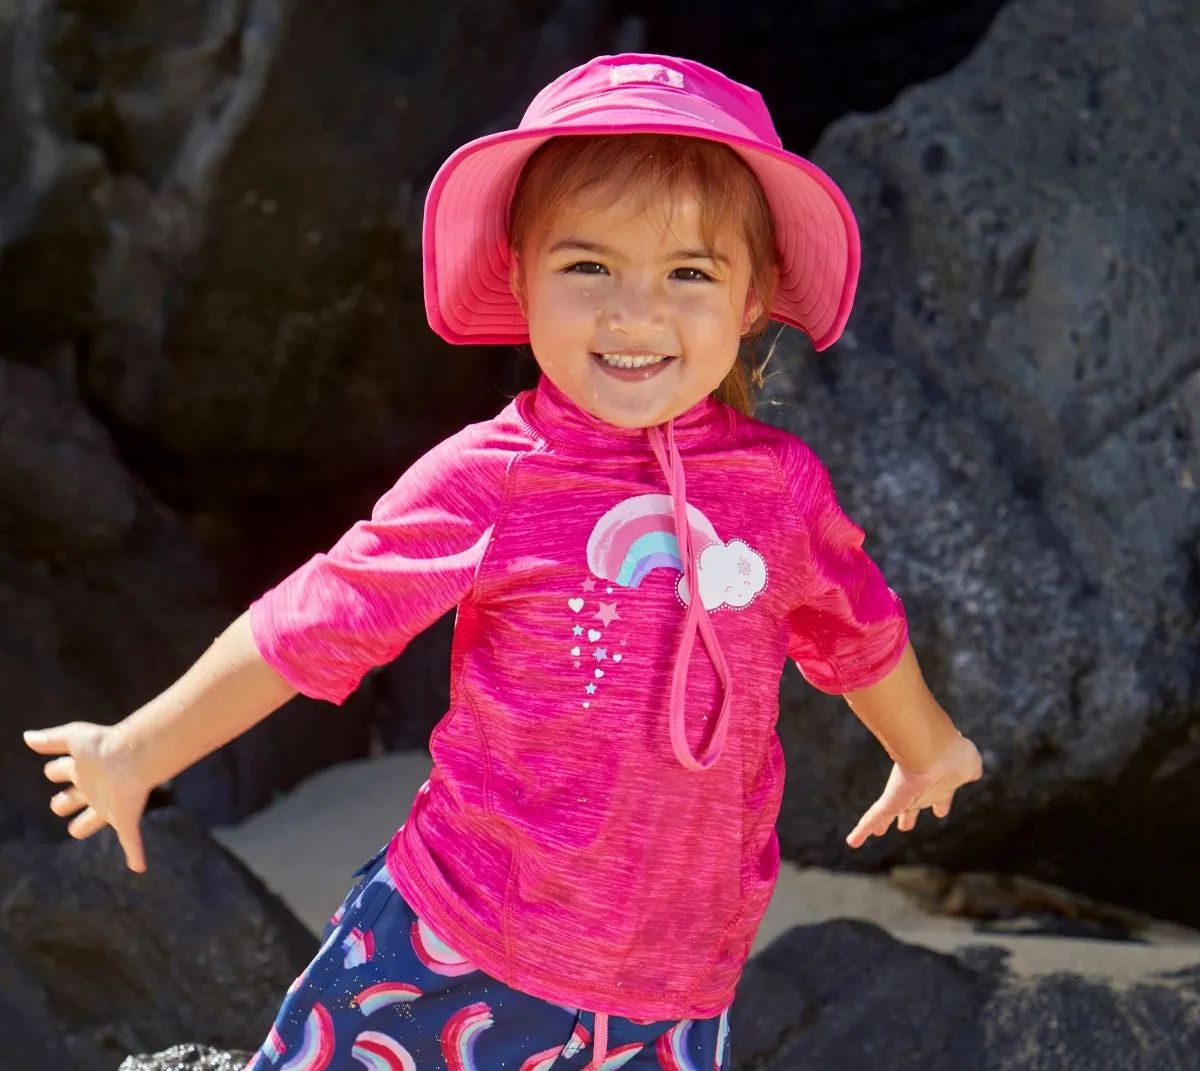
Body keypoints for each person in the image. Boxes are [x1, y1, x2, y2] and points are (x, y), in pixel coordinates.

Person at [24, 54, 983, 1071]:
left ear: (752, 301)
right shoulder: (494, 477)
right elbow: (315, 617)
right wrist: (138, 750)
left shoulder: (778, 488)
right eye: (588, 267)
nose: (633, 313)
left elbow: (856, 626)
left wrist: (926, 750)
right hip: (454, 941)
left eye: (688, 275)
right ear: (519, 275)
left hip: (672, 984)